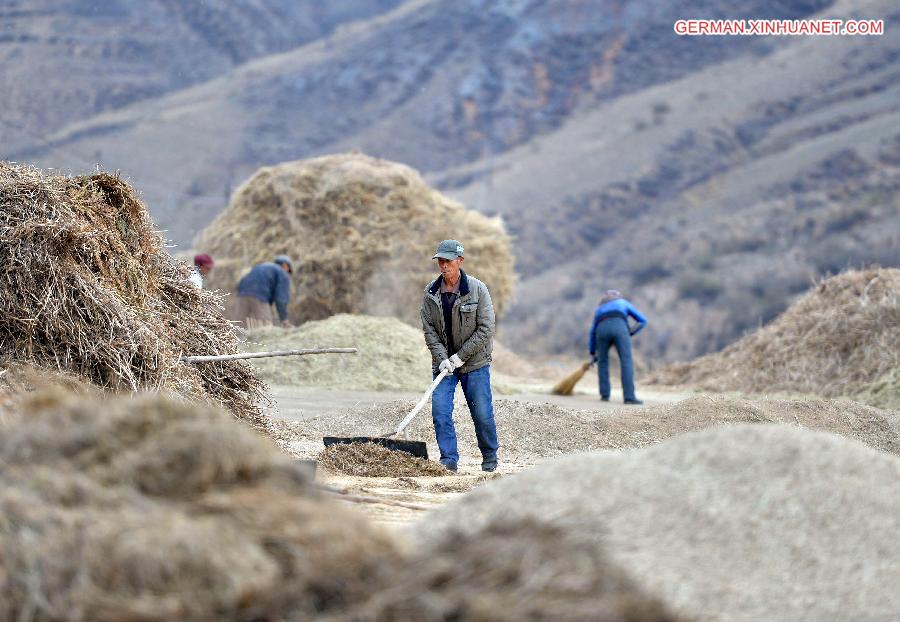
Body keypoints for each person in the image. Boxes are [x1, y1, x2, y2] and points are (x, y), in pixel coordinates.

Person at [421, 239, 499, 472]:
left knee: (482, 413)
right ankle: (448, 460)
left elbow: (486, 328)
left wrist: (461, 357)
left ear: (460, 261)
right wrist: (443, 358)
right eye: (441, 261)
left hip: (474, 363)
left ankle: (489, 457)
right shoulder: (431, 293)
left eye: (448, 261)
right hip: (444, 365)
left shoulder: (477, 289)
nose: (444, 266)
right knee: (440, 411)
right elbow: (429, 329)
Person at [588, 290, 647, 404]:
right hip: (620, 328)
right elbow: (642, 321)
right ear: (618, 296)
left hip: (601, 330)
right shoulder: (623, 302)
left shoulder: (599, 309)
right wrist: (629, 332)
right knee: (626, 361)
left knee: (602, 362)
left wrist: (592, 351)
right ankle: (629, 397)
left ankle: (605, 395)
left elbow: (593, 332)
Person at [236, 255, 293, 328]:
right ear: (285, 266)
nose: (287, 273)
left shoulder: (263, 267)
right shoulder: (282, 272)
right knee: (266, 327)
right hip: (260, 295)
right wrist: (284, 319)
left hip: (242, 293)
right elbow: (281, 299)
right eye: (288, 270)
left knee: (240, 326)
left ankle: (237, 338)